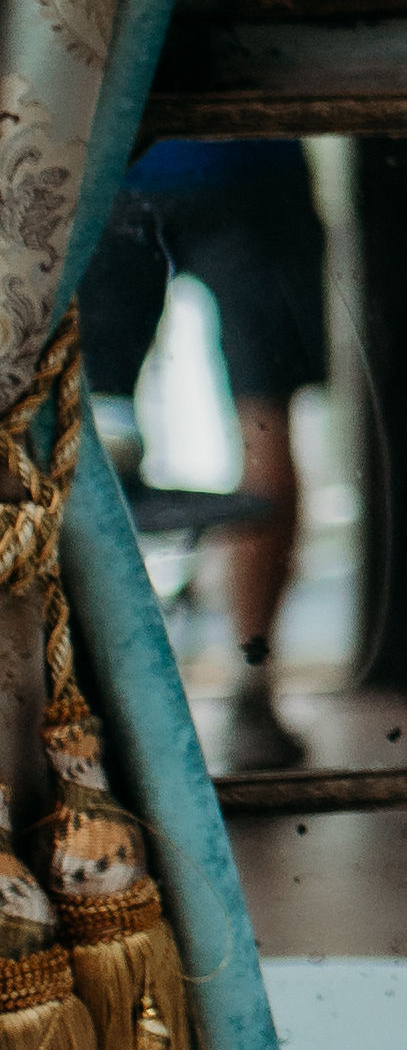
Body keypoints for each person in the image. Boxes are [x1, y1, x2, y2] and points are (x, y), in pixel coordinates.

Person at [83, 136, 327, 770]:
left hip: (121, 154)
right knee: (266, 423)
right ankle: (252, 690)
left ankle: (90, 698)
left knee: (93, 431)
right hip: (249, 160)